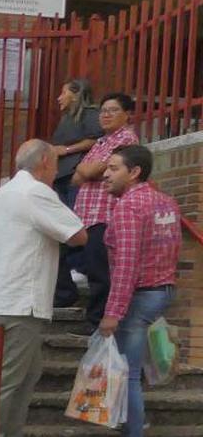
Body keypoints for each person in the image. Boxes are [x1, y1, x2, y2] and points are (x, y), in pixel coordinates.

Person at [0, 140, 87, 437]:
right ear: (43, 161)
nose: (58, 171)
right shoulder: (37, 193)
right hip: (20, 300)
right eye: (55, 163)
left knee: (26, 373)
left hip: (5, 295)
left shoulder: (3, 192)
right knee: (8, 378)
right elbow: (78, 234)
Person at [93, 145, 182, 437]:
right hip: (161, 291)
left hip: (140, 296)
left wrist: (112, 312)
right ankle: (135, 424)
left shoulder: (129, 206)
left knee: (128, 375)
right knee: (134, 371)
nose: (106, 173)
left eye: (114, 168)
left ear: (134, 173)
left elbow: (127, 264)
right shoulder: (166, 202)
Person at [71, 92, 140, 331]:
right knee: (91, 269)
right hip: (88, 217)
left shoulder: (126, 140)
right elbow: (77, 177)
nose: (106, 115)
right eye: (103, 111)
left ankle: (97, 322)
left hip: (106, 216)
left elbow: (88, 172)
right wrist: (87, 170)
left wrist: (87, 170)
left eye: (113, 110)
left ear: (128, 115)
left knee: (101, 273)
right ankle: (90, 315)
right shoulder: (102, 142)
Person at [50, 78, 102, 307]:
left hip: (74, 177)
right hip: (60, 178)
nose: (59, 98)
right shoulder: (66, 119)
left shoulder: (90, 114)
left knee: (74, 222)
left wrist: (66, 150)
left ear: (75, 94)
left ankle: (78, 267)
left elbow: (96, 140)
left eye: (63, 92)